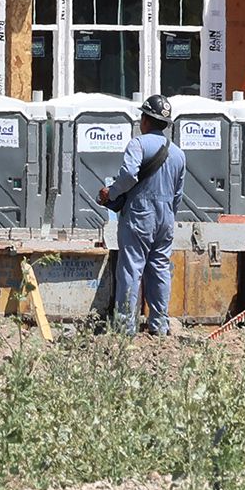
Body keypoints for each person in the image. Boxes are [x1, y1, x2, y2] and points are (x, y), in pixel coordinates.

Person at [102, 93, 185, 337]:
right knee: (159, 269)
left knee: (131, 269)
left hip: (140, 215)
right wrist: (167, 214)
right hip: (166, 218)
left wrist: (112, 193)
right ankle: (159, 326)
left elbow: (128, 176)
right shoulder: (179, 154)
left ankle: (125, 329)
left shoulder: (137, 144)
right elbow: (178, 194)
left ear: (146, 120)